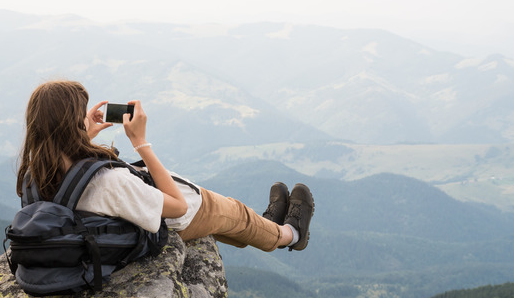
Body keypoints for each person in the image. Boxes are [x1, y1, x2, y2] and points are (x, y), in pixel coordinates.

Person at [16, 80, 314, 254]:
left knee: (239, 224)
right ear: (70, 125)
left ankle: (269, 225)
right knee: (236, 215)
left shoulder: (35, 172)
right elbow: (178, 207)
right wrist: (141, 143)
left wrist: (86, 136)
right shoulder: (109, 182)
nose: (86, 118)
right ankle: (291, 234)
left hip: (119, 216)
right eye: (81, 116)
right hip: (174, 218)